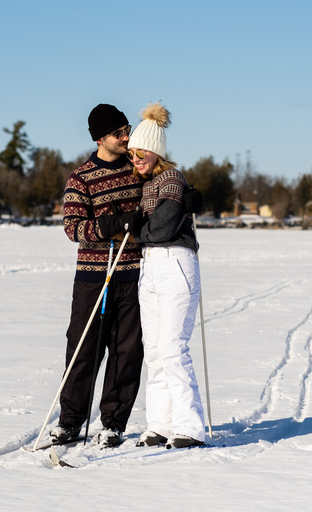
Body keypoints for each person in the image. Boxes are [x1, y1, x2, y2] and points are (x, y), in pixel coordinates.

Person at [52, 103, 145, 448]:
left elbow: (158, 195)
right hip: (93, 276)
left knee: (127, 352)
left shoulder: (137, 170)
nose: (126, 137)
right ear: (100, 138)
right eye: (118, 133)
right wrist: (106, 226)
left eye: (127, 130)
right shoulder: (81, 177)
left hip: (132, 274)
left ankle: (114, 423)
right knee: (82, 351)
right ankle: (70, 421)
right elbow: (72, 228)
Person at [128, 102, 206, 449]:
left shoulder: (172, 179)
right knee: (155, 351)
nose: (135, 159)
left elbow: (160, 228)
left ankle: (189, 428)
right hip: (151, 268)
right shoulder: (145, 184)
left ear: (155, 151)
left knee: (174, 349)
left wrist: (133, 231)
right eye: (131, 154)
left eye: (140, 153)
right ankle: (159, 425)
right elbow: (150, 230)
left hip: (176, 264)